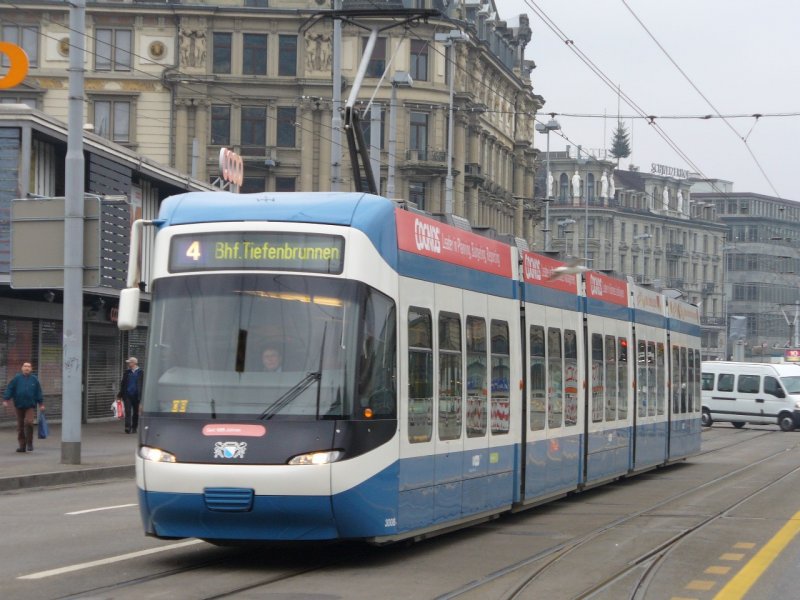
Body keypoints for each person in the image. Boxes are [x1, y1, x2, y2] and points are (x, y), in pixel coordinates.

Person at [3, 362, 44, 453]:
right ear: (22, 368)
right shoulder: (17, 379)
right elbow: (10, 388)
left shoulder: (34, 380)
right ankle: (22, 446)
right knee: (20, 426)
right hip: (19, 405)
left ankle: (29, 443)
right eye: (25, 366)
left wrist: (41, 404)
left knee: (29, 423)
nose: (26, 368)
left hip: (30, 406)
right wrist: (6, 399)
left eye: (28, 366)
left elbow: (38, 392)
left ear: (31, 369)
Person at [117, 357, 143, 434]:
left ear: (134, 363)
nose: (128, 364)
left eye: (130, 362)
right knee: (128, 411)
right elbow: (123, 384)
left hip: (137, 395)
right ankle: (127, 427)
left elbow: (143, 384)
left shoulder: (141, 372)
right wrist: (120, 394)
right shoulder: (127, 372)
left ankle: (134, 427)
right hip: (127, 395)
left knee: (135, 412)